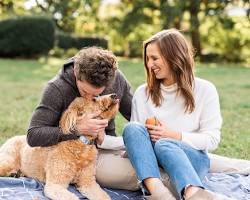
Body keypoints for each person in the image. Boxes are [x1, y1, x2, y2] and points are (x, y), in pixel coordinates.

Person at [123, 29, 234, 200]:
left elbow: (212, 140)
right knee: (132, 128)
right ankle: (158, 193)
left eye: (154, 58)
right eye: (147, 59)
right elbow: (136, 141)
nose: (149, 64)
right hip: (153, 161)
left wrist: (173, 135)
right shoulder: (142, 93)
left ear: (174, 57)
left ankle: (194, 194)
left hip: (192, 159)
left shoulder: (205, 90)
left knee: (165, 144)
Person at [27, 46, 139, 190]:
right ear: (75, 72)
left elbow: (136, 116)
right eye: (85, 91)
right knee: (140, 174)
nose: (90, 98)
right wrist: (77, 129)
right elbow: (33, 135)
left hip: (109, 146)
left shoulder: (117, 79)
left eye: (99, 93)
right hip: (74, 156)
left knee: (152, 161)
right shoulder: (56, 89)